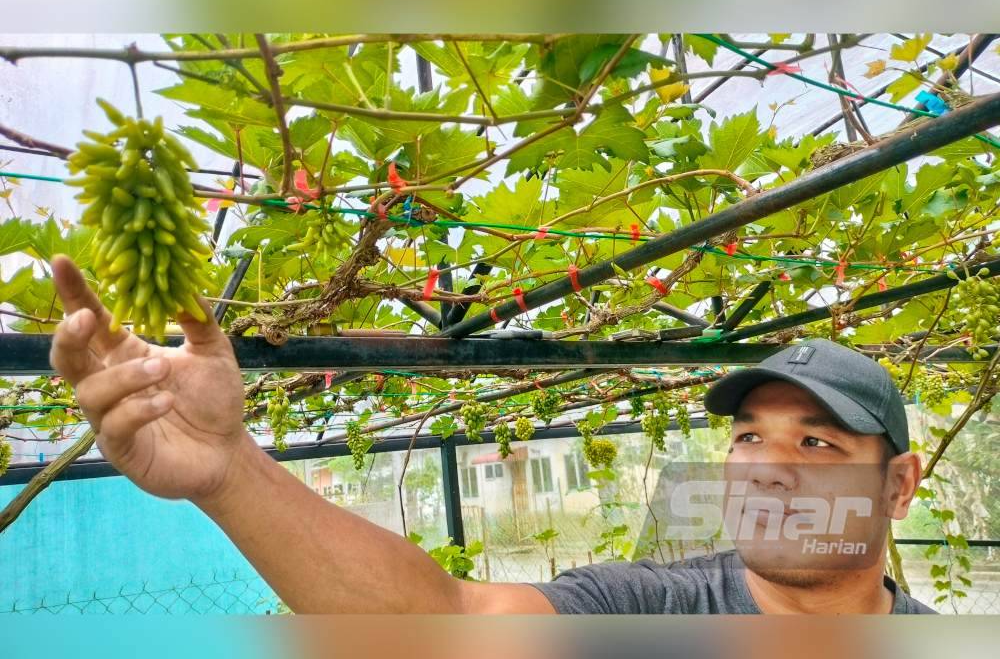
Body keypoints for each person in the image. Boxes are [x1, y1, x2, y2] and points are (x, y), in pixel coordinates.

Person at [47, 254, 934, 614]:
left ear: (899, 485)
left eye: (817, 445)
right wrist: (228, 473)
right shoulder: (650, 609)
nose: (766, 471)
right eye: (748, 437)